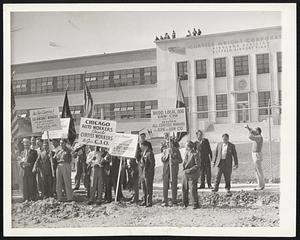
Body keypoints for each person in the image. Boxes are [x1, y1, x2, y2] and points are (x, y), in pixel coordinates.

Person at [161, 138, 182, 207]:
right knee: (165, 185)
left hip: (173, 169)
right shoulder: (164, 150)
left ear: (172, 143)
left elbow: (180, 160)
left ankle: (174, 201)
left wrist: (173, 159)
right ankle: (165, 201)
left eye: (169, 143)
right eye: (167, 143)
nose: (168, 144)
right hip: (166, 170)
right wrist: (167, 154)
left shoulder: (176, 150)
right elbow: (162, 159)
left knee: (174, 185)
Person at [245, 125, 265, 190]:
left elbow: (250, 136)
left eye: (256, 131)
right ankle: (260, 185)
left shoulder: (258, 137)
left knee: (258, 171)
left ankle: (261, 185)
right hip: (255, 154)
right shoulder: (257, 136)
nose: (254, 132)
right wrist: (248, 128)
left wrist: (250, 131)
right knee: (257, 170)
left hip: (257, 155)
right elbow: (252, 131)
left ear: (258, 132)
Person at [182, 141, 200, 209]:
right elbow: (184, 163)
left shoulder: (195, 154)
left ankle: (195, 204)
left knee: (192, 189)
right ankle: (185, 203)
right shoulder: (186, 153)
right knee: (184, 188)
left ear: (189, 146)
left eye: (186, 146)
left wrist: (190, 170)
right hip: (185, 174)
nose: (185, 147)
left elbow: (197, 165)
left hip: (192, 174)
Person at [140, 141, 155, 207]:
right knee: (143, 187)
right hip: (143, 172)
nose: (140, 147)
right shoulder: (143, 153)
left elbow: (152, 164)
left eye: (141, 145)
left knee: (148, 188)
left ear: (145, 146)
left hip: (148, 173)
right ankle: (144, 200)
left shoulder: (150, 153)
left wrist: (148, 172)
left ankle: (149, 202)